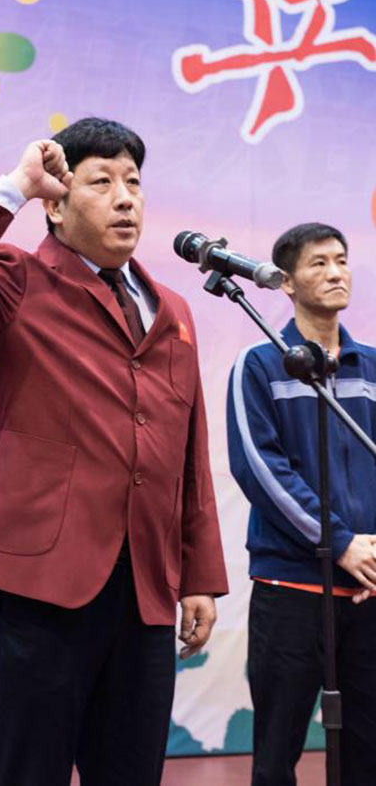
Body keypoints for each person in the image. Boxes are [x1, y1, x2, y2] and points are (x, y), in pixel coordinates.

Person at [0, 117, 228, 786]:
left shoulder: (171, 308)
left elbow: (188, 450)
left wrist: (198, 575)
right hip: (43, 582)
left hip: (146, 584)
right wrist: (16, 185)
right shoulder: (15, 282)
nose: (125, 198)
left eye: (133, 182)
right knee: (35, 770)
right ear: (56, 204)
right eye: (101, 182)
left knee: (131, 771)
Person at [227, 222, 376, 785]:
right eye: (319, 263)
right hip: (291, 590)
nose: (336, 273)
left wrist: (370, 556)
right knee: (276, 757)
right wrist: (341, 543)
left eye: (341, 260)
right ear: (286, 282)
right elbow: (260, 468)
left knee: (367, 751)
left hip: (367, 590)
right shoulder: (260, 364)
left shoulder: (373, 366)